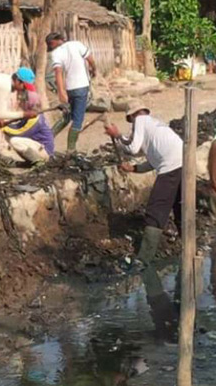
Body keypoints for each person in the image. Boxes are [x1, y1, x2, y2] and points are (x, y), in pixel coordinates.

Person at [105, 100, 182, 264]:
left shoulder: (140, 121)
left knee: (155, 210)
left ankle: (145, 258)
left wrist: (116, 135)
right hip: (183, 162)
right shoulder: (154, 125)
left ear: (133, 115)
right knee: (179, 205)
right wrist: (134, 169)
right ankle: (188, 243)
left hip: (171, 166)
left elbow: (132, 148)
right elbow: (154, 160)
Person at [46, 32, 97, 152]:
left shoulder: (55, 53)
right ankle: (71, 150)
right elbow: (90, 59)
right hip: (81, 87)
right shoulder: (77, 45)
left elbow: (58, 73)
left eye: (51, 45)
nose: (51, 47)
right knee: (78, 120)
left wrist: (61, 92)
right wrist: (94, 69)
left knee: (67, 116)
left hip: (70, 89)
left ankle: (47, 139)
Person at [0, 67, 55, 166]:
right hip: (38, 146)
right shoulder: (31, 114)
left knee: (15, 141)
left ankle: (39, 163)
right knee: (11, 138)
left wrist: (1, 126)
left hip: (44, 150)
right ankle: (32, 161)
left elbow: (19, 131)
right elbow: (18, 126)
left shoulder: (34, 119)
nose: (20, 102)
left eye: (22, 101)